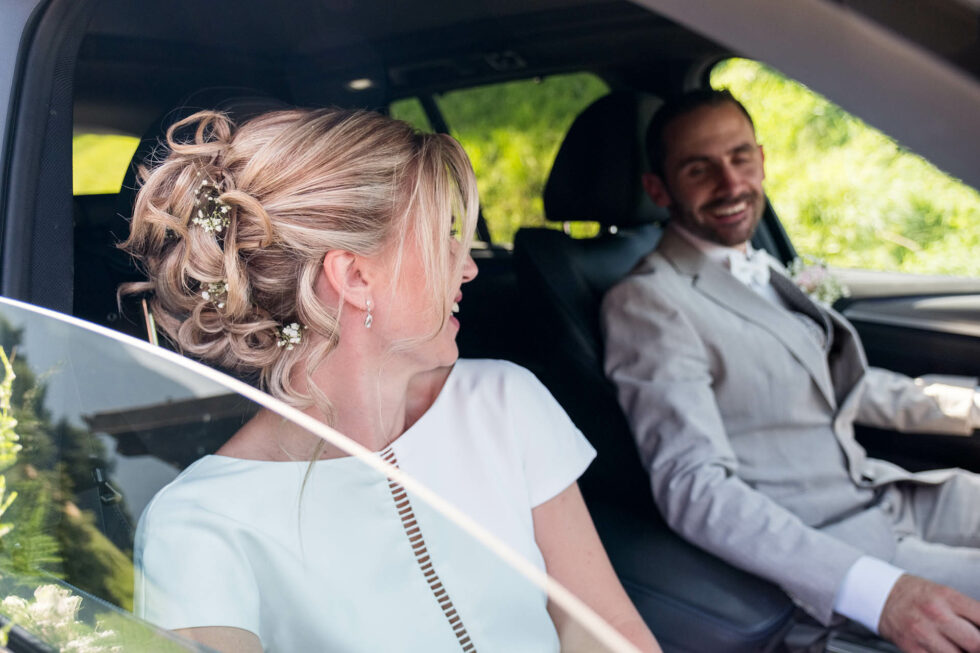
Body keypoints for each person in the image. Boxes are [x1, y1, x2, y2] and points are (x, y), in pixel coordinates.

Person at [123, 107, 660, 653]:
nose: (467, 266)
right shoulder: (201, 523)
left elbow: (604, 628)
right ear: (355, 277)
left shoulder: (504, 402)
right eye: (443, 235)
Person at [600, 89, 980, 653]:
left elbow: (837, 389)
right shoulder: (649, 302)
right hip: (830, 546)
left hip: (892, 496)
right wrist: (876, 592)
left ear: (761, 158)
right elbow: (692, 485)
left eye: (740, 158)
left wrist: (966, 406)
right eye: (699, 169)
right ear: (659, 188)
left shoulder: (759, 268)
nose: (730, 185)